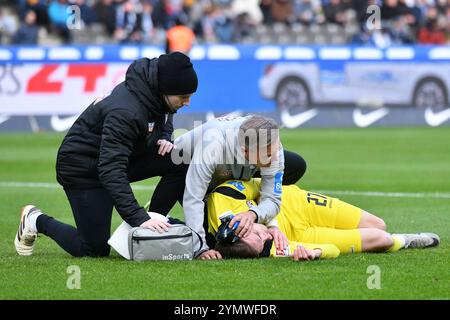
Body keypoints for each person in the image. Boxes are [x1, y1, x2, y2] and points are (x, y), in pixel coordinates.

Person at [15, 52, 198, 258]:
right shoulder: (127, 111)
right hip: (82, 168)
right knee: (94, 249)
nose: (188, 102)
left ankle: (153, 225)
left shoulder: (156, 89)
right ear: (165, 90)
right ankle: (35, 219)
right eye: (183, 97)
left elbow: (166, 113)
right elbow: (111, 169)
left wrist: (165, 136)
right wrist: (138, 217)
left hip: (120, 156)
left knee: (180, 159)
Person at [172, 114, 307, 259]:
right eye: (268, 154)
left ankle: (243, 194)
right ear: (245, 151)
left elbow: (273, 200)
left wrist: (253, 214)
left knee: (296, 164)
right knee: (219, 243)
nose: (275, 158)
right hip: (181, 167)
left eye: (275, 151)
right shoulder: (212, 146)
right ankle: (158, 219)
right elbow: (193, 198)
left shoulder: (272, 146)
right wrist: (200, 248)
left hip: (230, 169)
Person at [207, 179, 440, 261]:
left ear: (241, 229)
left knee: (378, 223)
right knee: (383, 239)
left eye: (260, 234)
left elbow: (262, 184)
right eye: (264, 243)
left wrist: (269, 223)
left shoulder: (224, 198)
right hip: (302, 236)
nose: (267, 238)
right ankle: (408, 240)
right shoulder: (268, 248)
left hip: (296, 203)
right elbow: (328, 249)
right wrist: (316, 253)